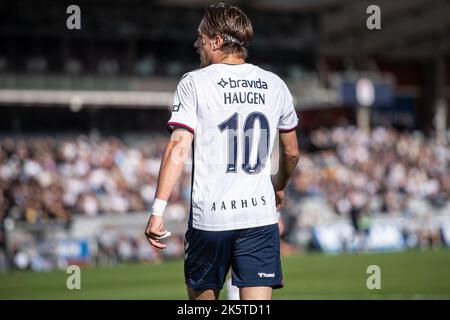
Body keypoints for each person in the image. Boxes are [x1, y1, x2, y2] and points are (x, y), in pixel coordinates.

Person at [145, 2, 299, 300]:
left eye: (200, 36)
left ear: (216, 41)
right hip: (259, 217)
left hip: (210, 219)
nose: (196, 43)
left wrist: (157, 211)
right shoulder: (275, 84)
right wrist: (278, 186)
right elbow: (291, 152)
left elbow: (178, 147)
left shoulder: (194, 83)